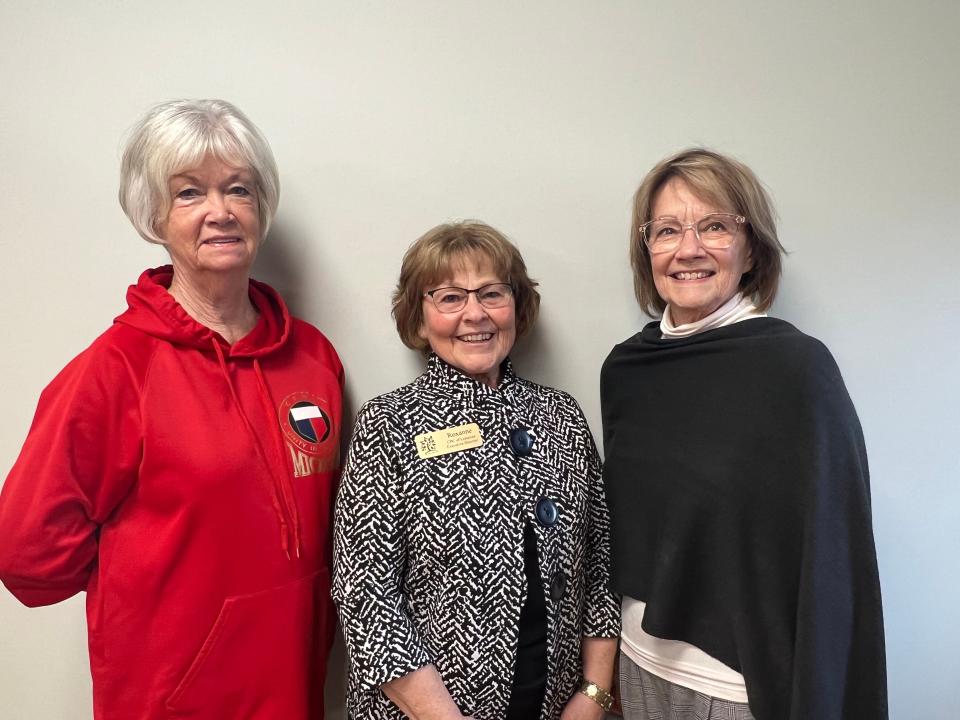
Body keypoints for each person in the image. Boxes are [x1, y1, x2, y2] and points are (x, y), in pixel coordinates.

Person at [0, 99, 343, 719]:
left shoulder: (313, 357)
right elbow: (28, 559)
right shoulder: (115, 371)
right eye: (189, 194)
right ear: (153, 216)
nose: (220, 212)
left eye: (238, 189)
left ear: (260, 207)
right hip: (169, 703)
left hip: (295, 694)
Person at [600, 148, 887, 720]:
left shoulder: (796, 369)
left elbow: (833, 558)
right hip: (634, 668)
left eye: (714, 226)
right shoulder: (627, 369)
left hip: (733, 689)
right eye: (667, 230)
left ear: (751, 248)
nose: (689, 249)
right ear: (646, 249)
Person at [332, 221, 620, 720]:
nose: (475, 313)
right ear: (419, 320)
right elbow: (365, 593)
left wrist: (593, 695)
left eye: (492, 293)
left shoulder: (562, 416)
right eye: (449, 298)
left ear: (517, 306)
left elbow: (601, 564)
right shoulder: (389, 422)